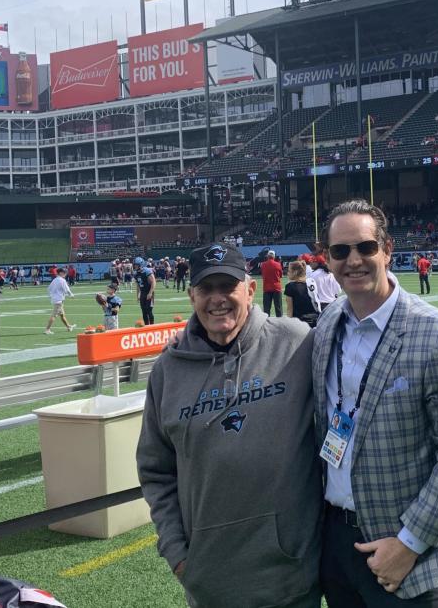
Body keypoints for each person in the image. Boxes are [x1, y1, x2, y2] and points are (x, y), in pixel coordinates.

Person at [313, 200, 438, 607]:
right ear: (327, 258)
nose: (353, 260)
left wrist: (409, 543)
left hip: (410, 554)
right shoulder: (327, 325)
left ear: (387, 249)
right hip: (337, 544)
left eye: (365, 247)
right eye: (340, 251)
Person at [137, 243, 322, 608]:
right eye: (207, 289)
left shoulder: (296, 343)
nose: (217, 299)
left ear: (250, 290)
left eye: (228, 287)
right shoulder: (167, 371)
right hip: (210, 583)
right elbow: (155, 471)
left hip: (292, 578)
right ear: (192, 296)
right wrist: (177, 554)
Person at [284, 260, 321, 327]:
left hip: (299, 323)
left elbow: (289, 310)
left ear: (295, 272)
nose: (287, 273)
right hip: (315, 320)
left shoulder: (290, 286)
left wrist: (288, 326)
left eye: (289, 271)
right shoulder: (311, 282)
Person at [44, 267, 76, 334]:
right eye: (64, 273)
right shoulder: (62, 280)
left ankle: (68, 327)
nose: (65, 274)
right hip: (58, 300)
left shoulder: (55, 280)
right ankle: (47, 329)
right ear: (60, 273)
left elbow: (48, 289)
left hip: (56, 299)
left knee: (62, 315)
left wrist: (52, 296)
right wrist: (71, 295)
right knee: (54, 315)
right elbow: (67, 289)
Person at [261, 249, 283, 316]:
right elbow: (281, 275)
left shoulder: (263, 264)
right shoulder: (278, 264)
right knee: (278, 308)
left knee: (266, 309)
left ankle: (266, 324)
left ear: (267, 256)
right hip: (276, 288)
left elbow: (263, 274)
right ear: (274, 256)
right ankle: (280, 323)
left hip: (266, 288)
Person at [134, 256, 155, 325]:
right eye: (135, 265)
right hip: (142, 292)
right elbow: (138, 285)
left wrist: (150, 293)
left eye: (137, 265)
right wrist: (138, 295)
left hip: (148, 291)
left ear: (141, 264)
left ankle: (152, 326)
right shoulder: (136, 274)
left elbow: (153, 282)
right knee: (144, 311)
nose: (135, 266)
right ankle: (146, 327)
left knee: (149, 310)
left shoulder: (147, 271)